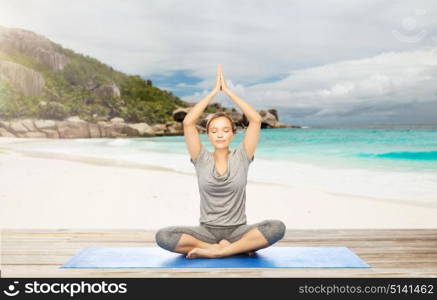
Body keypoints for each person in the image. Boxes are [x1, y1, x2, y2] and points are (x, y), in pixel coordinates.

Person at [155, 64, 286, 259]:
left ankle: (221, 251)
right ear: (207, 135)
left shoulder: (242, 156)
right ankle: (232, 248)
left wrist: (229, 93)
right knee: (163, 236)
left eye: (225, 130)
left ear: (233, 134)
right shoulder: (200, 158)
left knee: (277, 227)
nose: (220, 135)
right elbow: (188, 122)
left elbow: (255, 120)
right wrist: (214, 92)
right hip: (206, 233)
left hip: (238, 231)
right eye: (214, 131)